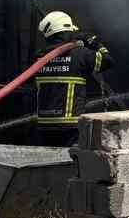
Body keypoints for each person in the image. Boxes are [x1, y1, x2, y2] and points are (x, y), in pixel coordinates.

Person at [31, 10, 112, 146]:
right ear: (65, 31)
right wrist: (94, 42)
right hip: (71, 127)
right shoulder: (80, 54)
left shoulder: (39, 57)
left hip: (44, 125)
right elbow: (108, 61)